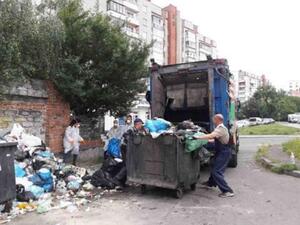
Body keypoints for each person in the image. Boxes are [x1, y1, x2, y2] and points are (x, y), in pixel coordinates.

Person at [194, 114, 234, 198]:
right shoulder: (220, 128)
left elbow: (212, 135)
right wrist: (206, 140)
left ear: (217, 119)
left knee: (217, 171)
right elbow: (214, 139)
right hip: (221, 151)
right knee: (213, 165)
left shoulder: (221, 128)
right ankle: (211, 183)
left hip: (224, 152)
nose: (213, 120)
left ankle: (227, 191)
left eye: (214, 119)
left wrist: (198, 137)